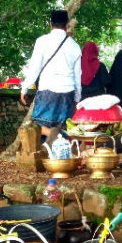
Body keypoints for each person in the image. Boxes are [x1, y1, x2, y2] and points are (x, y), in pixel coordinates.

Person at [20, 10, 81, 144]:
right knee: (63, 126)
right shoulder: (75, 46)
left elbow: (34, 68)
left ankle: (54, 139)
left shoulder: (42, 41)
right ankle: (60, 150)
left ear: (50, 24)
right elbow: (77, 76)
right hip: (67, 91)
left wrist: (24, 89)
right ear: (67, 25)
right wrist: (77, 98)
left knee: (38, 125)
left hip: (48, 89)